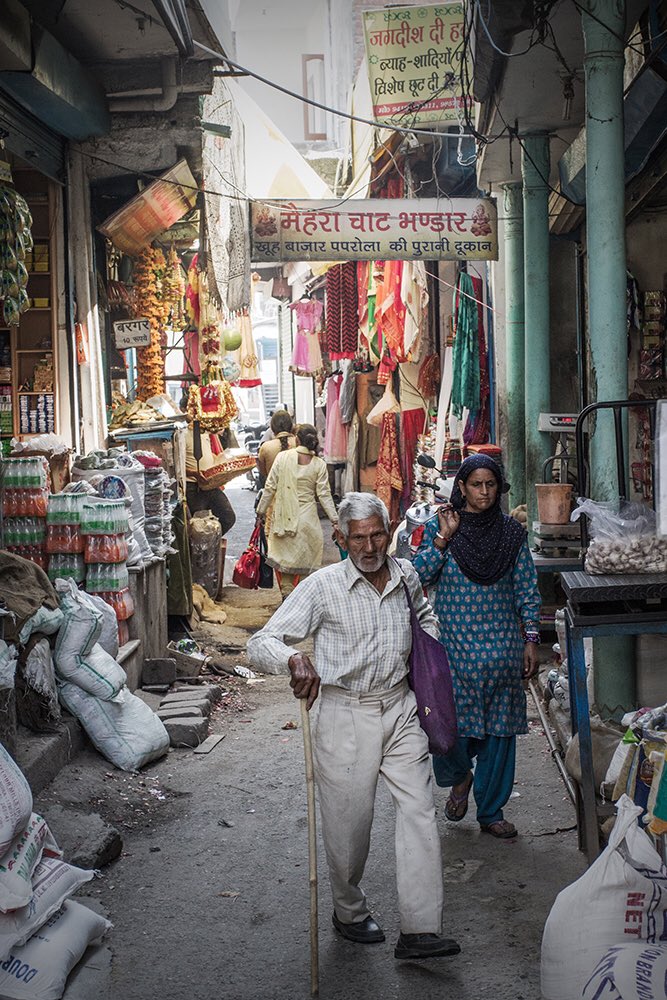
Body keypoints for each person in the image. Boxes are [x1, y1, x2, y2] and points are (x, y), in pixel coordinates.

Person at [247, 493, 461, 962]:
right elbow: (260, 642)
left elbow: (424, 617)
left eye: (377, 534)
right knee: (349, 829)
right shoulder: (323, 586)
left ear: (390, 532)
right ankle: (347, 910)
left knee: (420, 811)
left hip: (402, 708)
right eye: (358, 538)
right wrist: (293, 658)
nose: (369, 547)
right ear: (341, 540)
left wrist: (431, 654)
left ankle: (420, 928)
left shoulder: (405, 575)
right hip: (345, 712)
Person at [413, 454, 541, 840]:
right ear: (462, 488)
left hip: (502, 648)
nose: (484, 492)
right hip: (454, 648)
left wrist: (531, 638)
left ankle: (492, 811)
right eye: (476, 484)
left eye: (491, 484)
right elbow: (416, 576)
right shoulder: (443, 525)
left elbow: (526, 589)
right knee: (447, 728)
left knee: (500, 735)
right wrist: (443, 538)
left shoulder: (511, 535)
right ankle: (460, 778)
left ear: (499, 487)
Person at [255, 423, 338, 597]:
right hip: (308, 522)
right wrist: (335, 521)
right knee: (304, 570)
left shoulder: (282, 458)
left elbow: (269, 487)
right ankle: (301, 600)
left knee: (285, 565)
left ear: (297, 439)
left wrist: (261, 511)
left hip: (284, 520)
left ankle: (287, 595)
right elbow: (324, 495)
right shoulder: (319, 464)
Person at [184, 425, 236, 536]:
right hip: (193, 487)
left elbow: (207, 455)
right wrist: (194, 473)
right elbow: (177, 467)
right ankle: (201, 547)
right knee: (198, 526)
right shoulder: (183, 435)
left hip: (210, 484)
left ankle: (209, 542)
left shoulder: (205, 433)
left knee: (228, 517)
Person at [257, 410, 297, 487]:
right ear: (291, 426)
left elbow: (263, 472)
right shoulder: (299, 443)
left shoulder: (266, 447)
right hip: (297, 495)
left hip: (273, 494)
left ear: (272, 427)